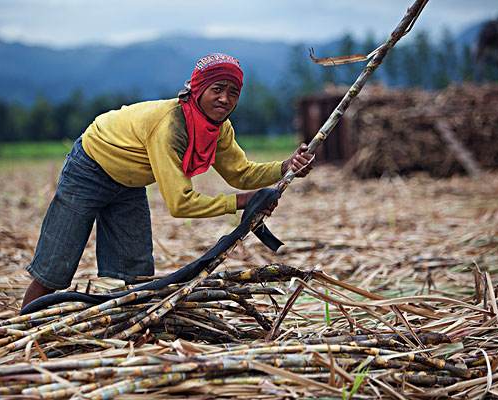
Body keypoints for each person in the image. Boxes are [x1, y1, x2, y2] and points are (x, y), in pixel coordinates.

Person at [22, 53, 315, 308]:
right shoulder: (171, 126)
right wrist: (241, 202)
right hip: (91, 165)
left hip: (129, 182)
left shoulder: (219, 128)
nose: (225, 99)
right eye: (218, 89)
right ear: (198, 89)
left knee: (137, 273)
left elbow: (241, 173)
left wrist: (286, 166)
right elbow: (179, 203)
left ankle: (130, 335)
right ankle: (23, 325)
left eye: (233, 92)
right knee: (54, 268)